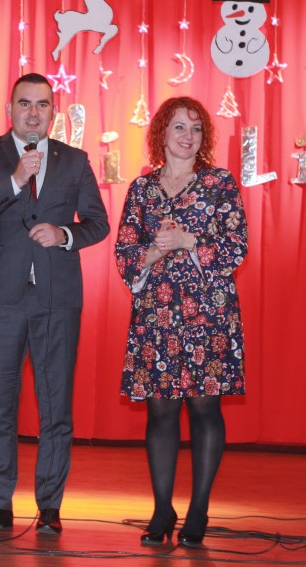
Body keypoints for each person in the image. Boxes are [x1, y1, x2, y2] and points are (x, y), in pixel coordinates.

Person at [0, 73, 109, 534]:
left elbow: (98, 223)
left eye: (42, 105)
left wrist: (64, 234)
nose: (33, 112)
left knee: (55, 406)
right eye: (25, 103)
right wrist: (15, 180)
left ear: (53, 113)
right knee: (1, 404)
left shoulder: (74, 160)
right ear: (10, 110)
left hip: (58, 298)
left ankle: (50, 506)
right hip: (1, 298)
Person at [115, 96, 247, 548]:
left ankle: (199, 509)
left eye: (196, 128)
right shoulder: (141, 188)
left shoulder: (219, 182)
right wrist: (157, 249)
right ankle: (162, 508)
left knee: (205, 407)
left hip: (208, 312)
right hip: (157, 312)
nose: (188, 136)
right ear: (161, 133)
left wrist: (190, 240)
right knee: (160, 410)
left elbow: (237, 246)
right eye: (179, 127)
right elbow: (125, 252)